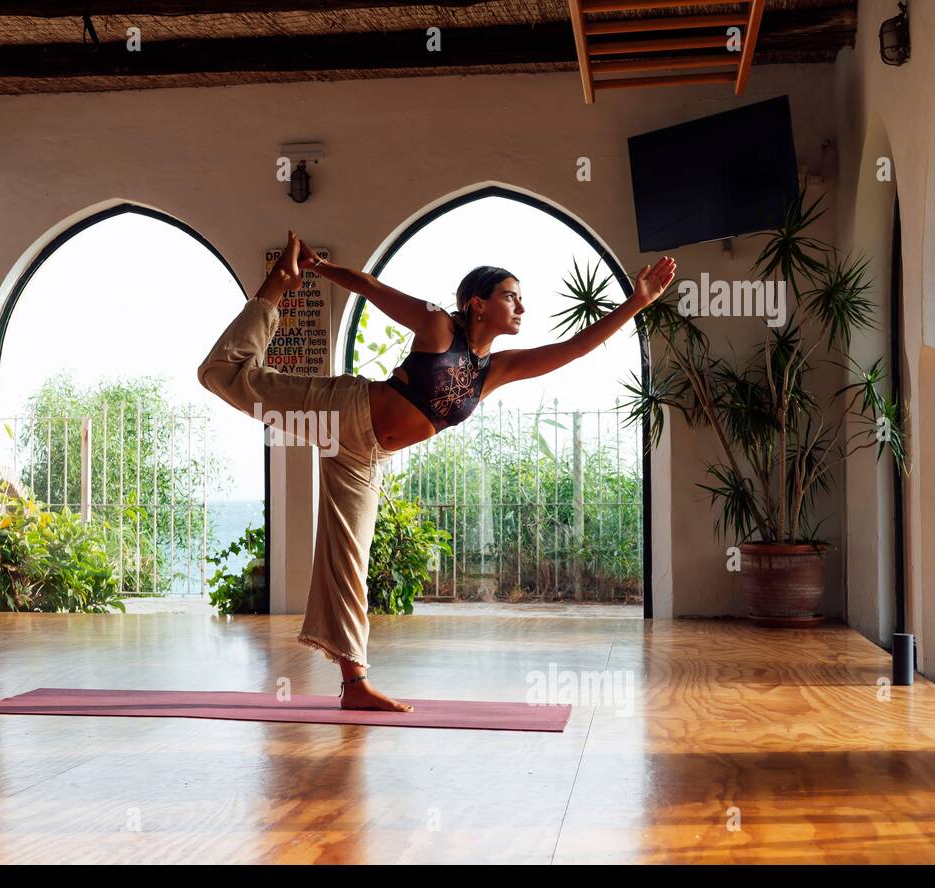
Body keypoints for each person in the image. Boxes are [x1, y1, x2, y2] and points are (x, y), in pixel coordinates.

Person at [198, 231, 675, 711]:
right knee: (223, 375)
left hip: (365, 456)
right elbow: (368, 286)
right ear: (478, 304)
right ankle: (275, 288)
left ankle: (355, 686)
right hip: (341, 412)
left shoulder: (495, 370)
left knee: (349, 561)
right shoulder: (437, 328)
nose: (521, 307)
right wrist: (318, 270)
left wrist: (637, 301)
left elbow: (572, 348)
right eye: (511, 296)